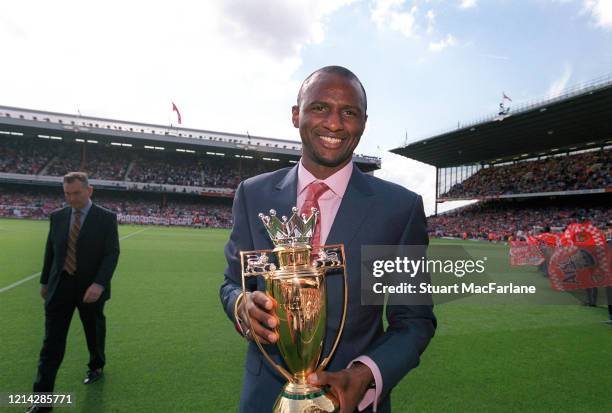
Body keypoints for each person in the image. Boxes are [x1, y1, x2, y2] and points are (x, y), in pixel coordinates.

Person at [220, 66, 436, 412]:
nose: (334, 123)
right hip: (265, 398)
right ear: (296, 115)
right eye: (320, 107)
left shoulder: (399, 208)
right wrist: (240, 304)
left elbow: (413, 320)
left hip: (352, 401)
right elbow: (231, 283)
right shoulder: (253, 194)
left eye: (348, 112)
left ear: (363, 123)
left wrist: (365, 373)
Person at [27, 172, 120, 413]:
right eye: (67, 194)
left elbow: (112, 254)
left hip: (91, 289)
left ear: (89, 191)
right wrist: (45, 281)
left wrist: (99, 284)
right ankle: (41, 401)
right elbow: (51, 250)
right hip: (60, 288)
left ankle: (96, 366)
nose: (71, 199)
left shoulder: (106, 218)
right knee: (51, 344)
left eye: (76, 193)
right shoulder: (57, 217)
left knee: (93, 330)